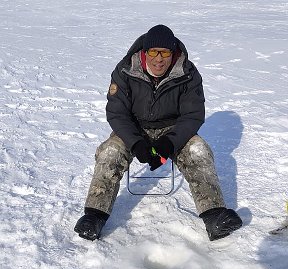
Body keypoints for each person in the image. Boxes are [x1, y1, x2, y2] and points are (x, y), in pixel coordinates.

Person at [74, 24, 242, 241]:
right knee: (110, 152)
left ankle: (214, 215)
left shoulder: (188, 73)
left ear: (173, 54)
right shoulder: (125, 70)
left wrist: (169, 143)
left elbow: (192, 115)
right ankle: (94, 216)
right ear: (145, 52)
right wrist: (136, 143)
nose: (159, 59)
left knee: (199, 150)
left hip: (173, 129)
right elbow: (117, 113)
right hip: (134, 128)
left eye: (165, 52)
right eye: (154, 52)